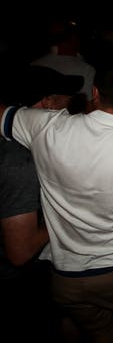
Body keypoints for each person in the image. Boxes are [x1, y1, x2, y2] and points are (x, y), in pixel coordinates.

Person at [0, 64, 113, 343]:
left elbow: (4, 116)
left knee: (99, 333)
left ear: (95, 92)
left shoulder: (47, 126)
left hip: (66, 277)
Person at [0, 64, 84, 341]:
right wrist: (64, 213)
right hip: (18, 285)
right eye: (65, 98)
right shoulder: (19, 162)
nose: (70, 104)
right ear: (46, 103)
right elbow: (20, 252)